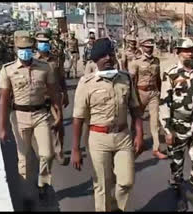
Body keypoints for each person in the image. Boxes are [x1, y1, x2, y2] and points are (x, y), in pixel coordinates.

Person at [71, 38, 144, 212]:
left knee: (126, 182)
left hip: (123, 137)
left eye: (111, 54)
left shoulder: (125, 78)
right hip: (98, 138)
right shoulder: (86, 83)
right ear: (96, 59)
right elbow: (78, 118)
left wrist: (140, 134)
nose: (109, 58)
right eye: (103, 55)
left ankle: (116, 208)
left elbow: (135, 109)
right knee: (102, 186)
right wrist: (76, 149)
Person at [0, 30, 62, 205]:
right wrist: (2, 127)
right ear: (15, 49)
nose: (25, 51)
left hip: (41, 114)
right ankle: (28, 192)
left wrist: (58, 113)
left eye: (28, 48)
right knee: (24, 158)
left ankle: (43, 183)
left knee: (47, 154)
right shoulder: (8, 70)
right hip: (19, 116)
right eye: (21, 48)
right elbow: (4, 98)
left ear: (32, 48)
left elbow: (53, 91)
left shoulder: (44, 67)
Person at [159, 37, 193, 211]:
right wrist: (167, 130)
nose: (190, 53)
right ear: (178, 52)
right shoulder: (170, 73)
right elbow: (164, 102)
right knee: (177, 163)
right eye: (186, 50)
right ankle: (178, 194)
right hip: (177, 124)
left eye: (192, 49)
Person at [33, 31, 69, 165]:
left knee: (59, 124)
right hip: (40, 98)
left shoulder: (55, 59)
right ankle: (45, 151)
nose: (43, 45)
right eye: (40, 42)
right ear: (37, 44)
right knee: (41, 125)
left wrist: (65, 93)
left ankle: (59, 151)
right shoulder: (33, 60)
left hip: (55, 97)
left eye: (45, 42)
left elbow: (61, 77)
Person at [130, 38, 167, 159]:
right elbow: (132, 81)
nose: (149, 49)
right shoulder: (136, 62)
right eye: (146, 47)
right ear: (141, 47)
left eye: (151, 47)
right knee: (136, 120)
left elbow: (158, 78)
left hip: (153, 93)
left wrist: (161, 93)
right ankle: (134, 143)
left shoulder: (156, 61)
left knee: (155, 121)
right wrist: (132, 97)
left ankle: (156, 148)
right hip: (140, 92)